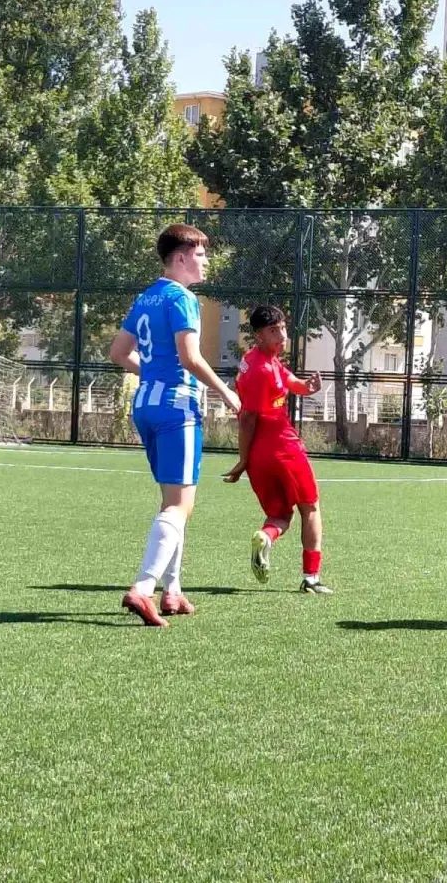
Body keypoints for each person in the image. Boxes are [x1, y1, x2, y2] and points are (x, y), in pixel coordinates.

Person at [109, 224, 241, 627]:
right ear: (181, 258)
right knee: (180, 505)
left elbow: (118, 353)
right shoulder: (183, 298)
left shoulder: (146, 296)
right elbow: (190, 358)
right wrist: (226, 392)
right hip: (176, 409)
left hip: (146, 405)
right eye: (200, 254)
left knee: (173, 503)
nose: (206, 261)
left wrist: (152, 374)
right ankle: (143, 587)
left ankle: (173, 590)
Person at [223, 305, 331, 595]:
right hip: (283, 447)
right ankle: (311, 578)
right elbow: (247, 418)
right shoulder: (264, 370)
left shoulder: (255, 359)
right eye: (274, 331)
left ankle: (266, 536)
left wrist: (306, 387)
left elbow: (288, 380)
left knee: (280, 514)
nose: (282, 335)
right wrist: (241, 460)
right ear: (259, 335)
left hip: (260, 456)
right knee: (310, 508)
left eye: (283, 328)